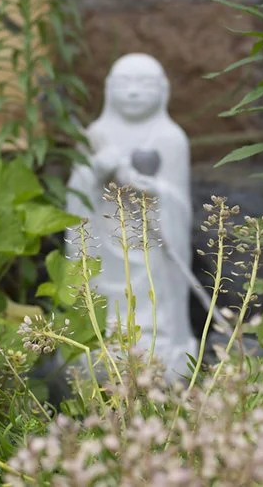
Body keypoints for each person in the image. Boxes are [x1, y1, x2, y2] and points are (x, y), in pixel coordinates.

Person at [65, 53, 197, 378]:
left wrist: (151, 189)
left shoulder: (170, 139)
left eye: (145, 84)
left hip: (150, 242)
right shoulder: (97, 134)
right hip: (105, 236)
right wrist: (97, 169)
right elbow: (77, 190)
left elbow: (178, 201)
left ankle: (154, 344)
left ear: (163, 90)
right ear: (110, 89)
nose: (135, 92)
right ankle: (104, 339)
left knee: (149, 290)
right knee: (106, 288)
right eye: (125, 83)